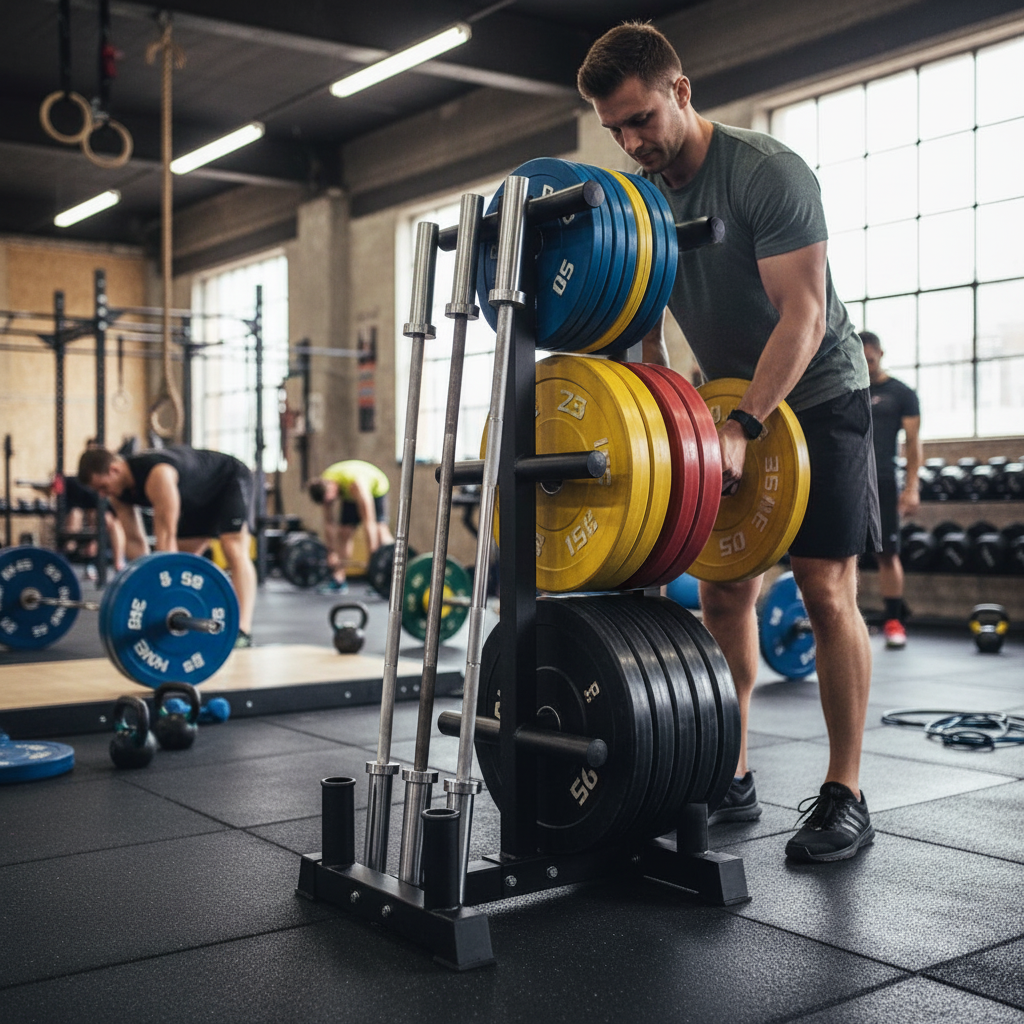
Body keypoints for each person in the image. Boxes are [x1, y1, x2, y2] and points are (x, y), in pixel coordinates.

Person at [578, 22, 881, 862]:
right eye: (616, 130)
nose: (633, 142)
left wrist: (746, 424)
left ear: (681, 89)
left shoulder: (765, 172)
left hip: (819, 395)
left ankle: (845, 791)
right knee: (722, 594)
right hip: (720, 403)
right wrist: (663, 420)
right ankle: (730, 769)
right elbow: (644, 329)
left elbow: (805, 315)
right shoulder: (638, 198)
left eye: (641, 119)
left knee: (824, 589)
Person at [77, 444, 257, 647]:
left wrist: (166, 597)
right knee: (184, 558)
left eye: (102, 487)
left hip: (228, 479)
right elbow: (135, 541)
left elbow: (166, 537)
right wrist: (149, 586)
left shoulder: (158, 474)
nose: (102, 494)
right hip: (197, 499)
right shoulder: (118, 494)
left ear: (114, 469)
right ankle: (195, 608)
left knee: (233, 548)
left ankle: (243, 630)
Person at [860, 331, 922, 649]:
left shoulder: (902, 393)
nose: (867, 365)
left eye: (871, 359)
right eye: (862, 359)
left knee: (888, 553)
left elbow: (913, 444)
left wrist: (912, 487)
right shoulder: (849, 391)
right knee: (842, 555)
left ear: (880, 354)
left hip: (884, 480)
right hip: (850, 479)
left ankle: (894, 620)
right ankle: (846, 621)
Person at [308, 460, 394, 593]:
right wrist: (331, 552)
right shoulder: (324, 484)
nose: (330, 503)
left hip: (376, 489)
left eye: (330, 500)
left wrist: (374, 562)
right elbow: (329, 524)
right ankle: (338, 580)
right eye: (327, 501)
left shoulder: (356, 485)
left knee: (380, 531)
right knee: (344, 533)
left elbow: (368, 523)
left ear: (332, 487)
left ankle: (388, 577)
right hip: (349, 495)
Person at [59, 474, 127, 575]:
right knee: (76, 516)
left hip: (96, 507)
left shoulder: (106, 493)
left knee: (107, 520)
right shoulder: (74, 488)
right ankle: (67, 559)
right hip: (81, 504)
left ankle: (118, 564)